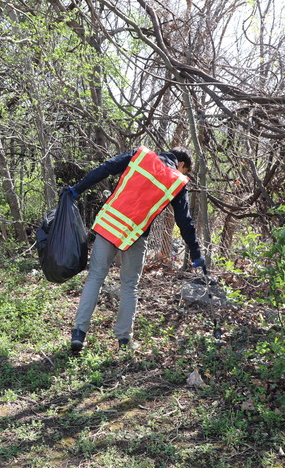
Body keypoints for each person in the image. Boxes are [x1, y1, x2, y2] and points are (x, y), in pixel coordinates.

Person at [66, 145, 205, 352]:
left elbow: (106, 168)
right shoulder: (176, 180)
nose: (182, 174)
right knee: (129, 285)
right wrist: (195, 252)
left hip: (109, 225)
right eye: (184, 170)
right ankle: (124, 340)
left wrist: (78, 189)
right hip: (135, 235)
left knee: (95, 277)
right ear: (182, 164)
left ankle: (79, 333)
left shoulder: (140, 156)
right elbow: (184, 221)